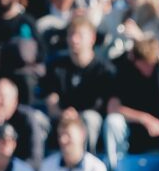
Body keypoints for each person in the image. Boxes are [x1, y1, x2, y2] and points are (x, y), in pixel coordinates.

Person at [105, 35, 159, 164]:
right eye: (145, 63)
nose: (150, 67)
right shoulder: (124, 71)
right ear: (135, 59)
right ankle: (116, 170)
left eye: (152, 63)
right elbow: (112, 108)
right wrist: (144, 118)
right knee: (113, 121)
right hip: (132, 132)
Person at [43, 16, 116, 149]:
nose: (74, 40)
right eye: (71, 34)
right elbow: (51, 101)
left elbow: (101, 106)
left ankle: (86, 159)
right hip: (62, 118)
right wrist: (61, 113)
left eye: (79, 35)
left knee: (90, 118)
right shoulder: (56, 66)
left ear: (92, 38)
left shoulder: (104, 70)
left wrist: (77, 116)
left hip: (89, 120)